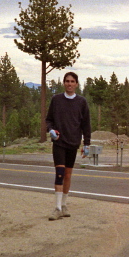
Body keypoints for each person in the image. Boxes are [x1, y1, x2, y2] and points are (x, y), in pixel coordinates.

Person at [45, 71, 91, 221]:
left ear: (76, 84)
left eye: (72, 81)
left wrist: (87, 144)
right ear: (63, 83)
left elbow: (86, 124)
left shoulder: (82, 102)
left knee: (68, 175)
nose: (69, 84)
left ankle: (64, 205)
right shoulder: (56, 100)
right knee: (60, 173)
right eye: (67, 81)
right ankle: (57, 208)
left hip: (73, 142)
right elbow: (49, 120)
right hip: (59, 142)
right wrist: (50, 130)